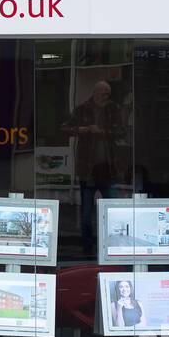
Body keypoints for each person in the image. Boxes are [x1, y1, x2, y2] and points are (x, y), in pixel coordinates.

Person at [62, 81, 119, 249]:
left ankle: (112, 243)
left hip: (107, 169)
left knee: (112, 210)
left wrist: (100, 131)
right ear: (95, 92)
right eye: (103, 93)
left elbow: (122, 131)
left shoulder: (112, 109)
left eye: (108, 94)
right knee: (86, 212)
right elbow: (65, 128)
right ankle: (87, 244)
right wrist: (82, 130)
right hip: (88, 169)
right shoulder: (82, 109)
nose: (106, 97)